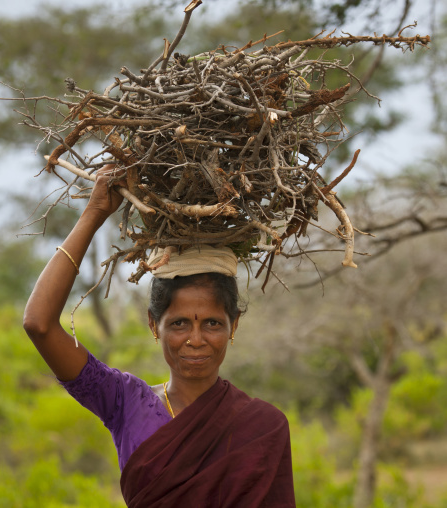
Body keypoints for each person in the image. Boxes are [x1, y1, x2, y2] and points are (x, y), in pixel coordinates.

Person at [23, 166, 296, 507]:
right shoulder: (124, 402)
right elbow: (39, 325)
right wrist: (94, 214)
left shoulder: (263, 427)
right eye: (180, 324)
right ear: (154, 325)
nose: (196, 339)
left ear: (234, 325)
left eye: (212, 324)